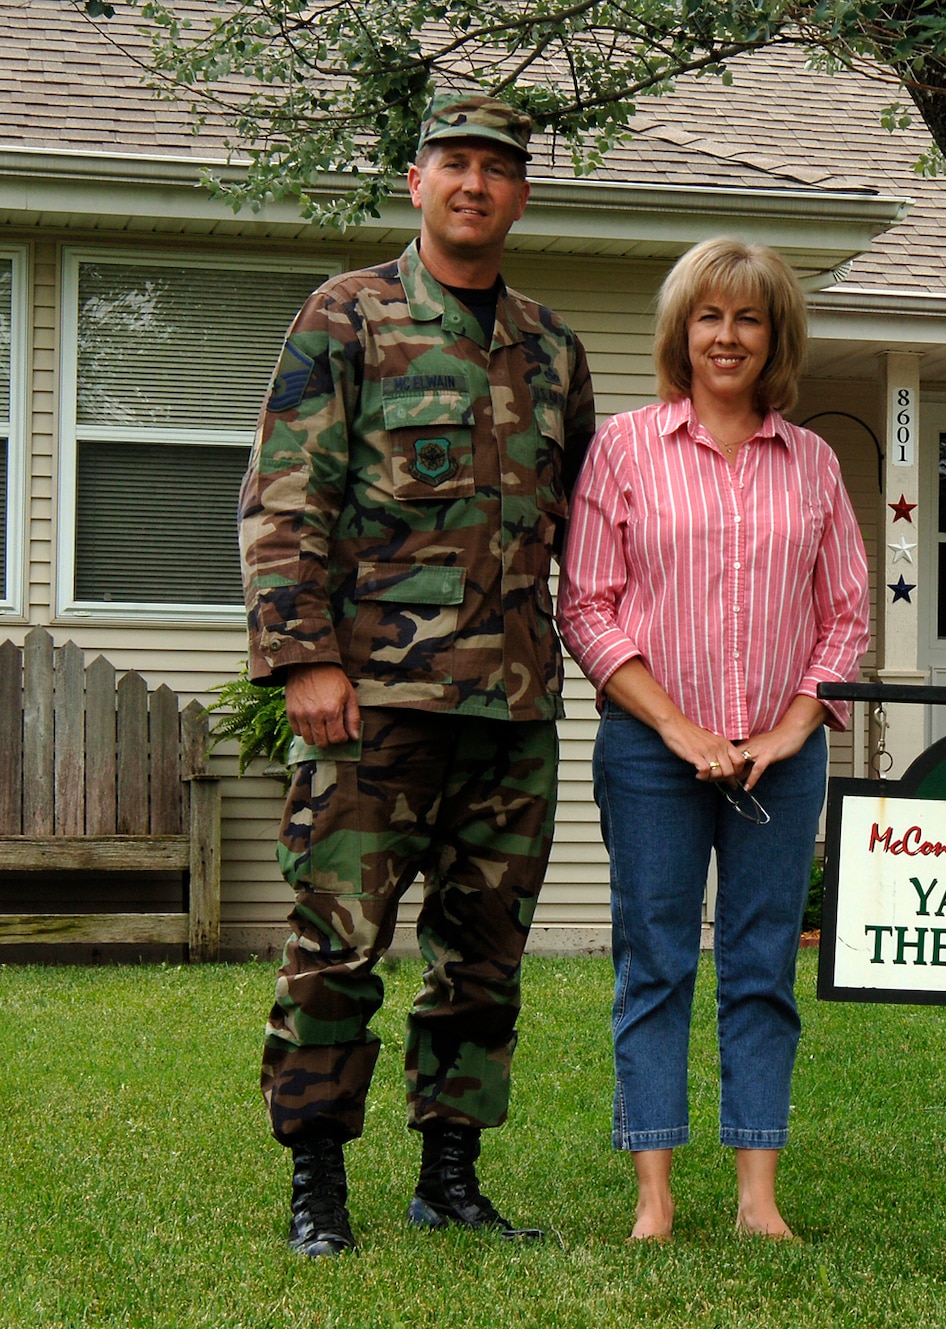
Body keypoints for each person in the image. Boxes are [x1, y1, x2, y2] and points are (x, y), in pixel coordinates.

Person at [239, 93, 595, 1257]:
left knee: (481, 956)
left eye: (497, 168)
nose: (475, 184)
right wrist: (302, 660)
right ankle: (316, 1187)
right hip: (372, 702)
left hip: (512, 707)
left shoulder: (552, 349)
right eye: (455, 163)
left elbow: (581, 527)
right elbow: (287, 501)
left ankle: (449, 1177)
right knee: (337, 947)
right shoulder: (347, 317)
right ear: (416, 182)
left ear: (520, 195)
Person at [559, 237, 870, 1241]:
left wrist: (787, 729)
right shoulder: (624, 449)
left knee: (759, 966)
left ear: (774, 335)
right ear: (679, 332)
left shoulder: (813, 464)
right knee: (653, 962)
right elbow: (587, 606)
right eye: (707, 316)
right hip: (652, 753)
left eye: (746, 317)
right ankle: (653, 1195)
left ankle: (755, 1197)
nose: (725, 335)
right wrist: (678, 726)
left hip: (780, 758)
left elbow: (845, 618)